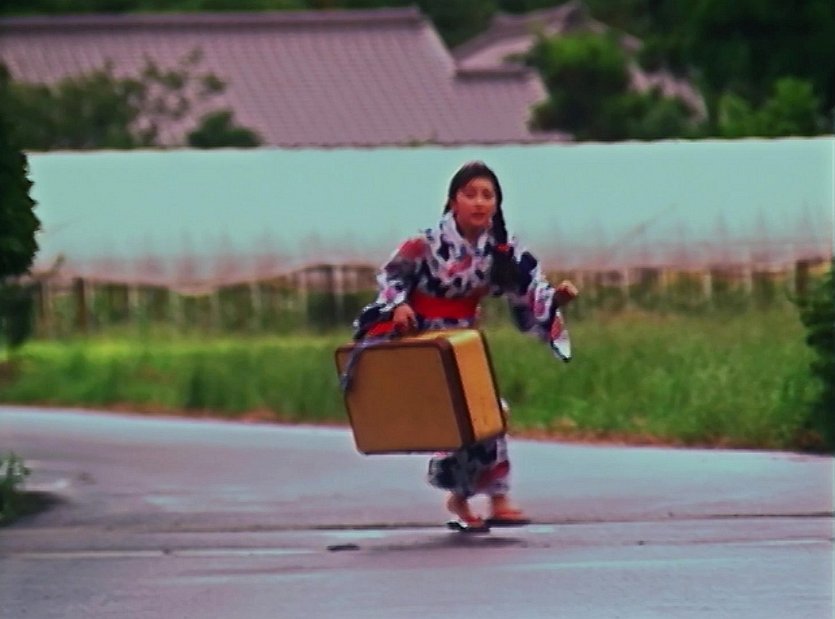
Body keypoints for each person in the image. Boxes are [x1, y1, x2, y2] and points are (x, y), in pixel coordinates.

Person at [352, 160, 578, 530]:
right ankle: (464, 497)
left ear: (497, 204)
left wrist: (553, 300)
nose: (479, 202)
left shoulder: (502, 249)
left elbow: (529, 288)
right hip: (422, 340)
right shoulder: (423, 243)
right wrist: (399, 306)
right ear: (453, 201)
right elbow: (391, 277)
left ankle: (493, 497)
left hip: (463, 341)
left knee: (488, 411)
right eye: (470, 194)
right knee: (459, 417)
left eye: (487, 195)